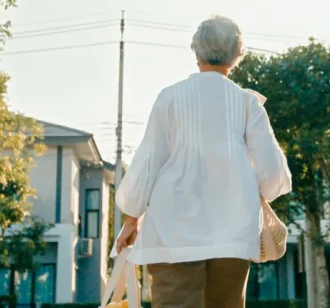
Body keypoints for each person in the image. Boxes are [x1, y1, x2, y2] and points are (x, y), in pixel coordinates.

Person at [114, 15, 292, 308]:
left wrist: (132, 218)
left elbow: (148, 160)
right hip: (234, 230)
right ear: (237, 57)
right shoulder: (247, 103)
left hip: (172, 229)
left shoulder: (169, 97)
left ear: (196, 53)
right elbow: (273, 174)